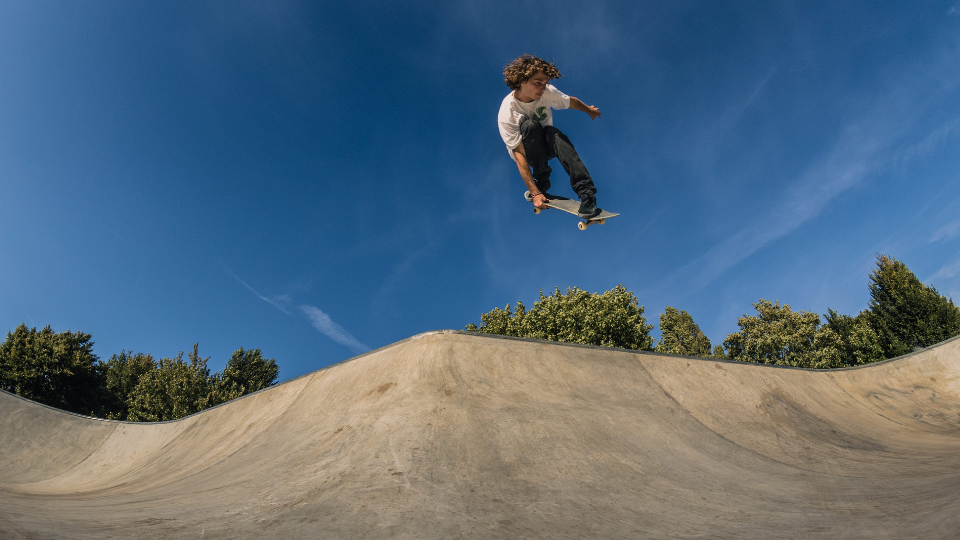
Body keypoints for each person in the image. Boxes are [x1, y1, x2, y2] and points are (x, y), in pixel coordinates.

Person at [497, 54, 602, 218]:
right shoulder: (507, 112)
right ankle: (542, 179)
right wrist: (534, 192)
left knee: (554, 133)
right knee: (530, 126)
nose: (542, 88)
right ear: (522, 81)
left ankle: (586, 192)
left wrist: (589, 110)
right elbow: (519, 155)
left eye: (545, 84)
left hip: (547, 145)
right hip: (528, 152)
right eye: (538, 83)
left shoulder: (546, 93)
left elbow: (570, 101)